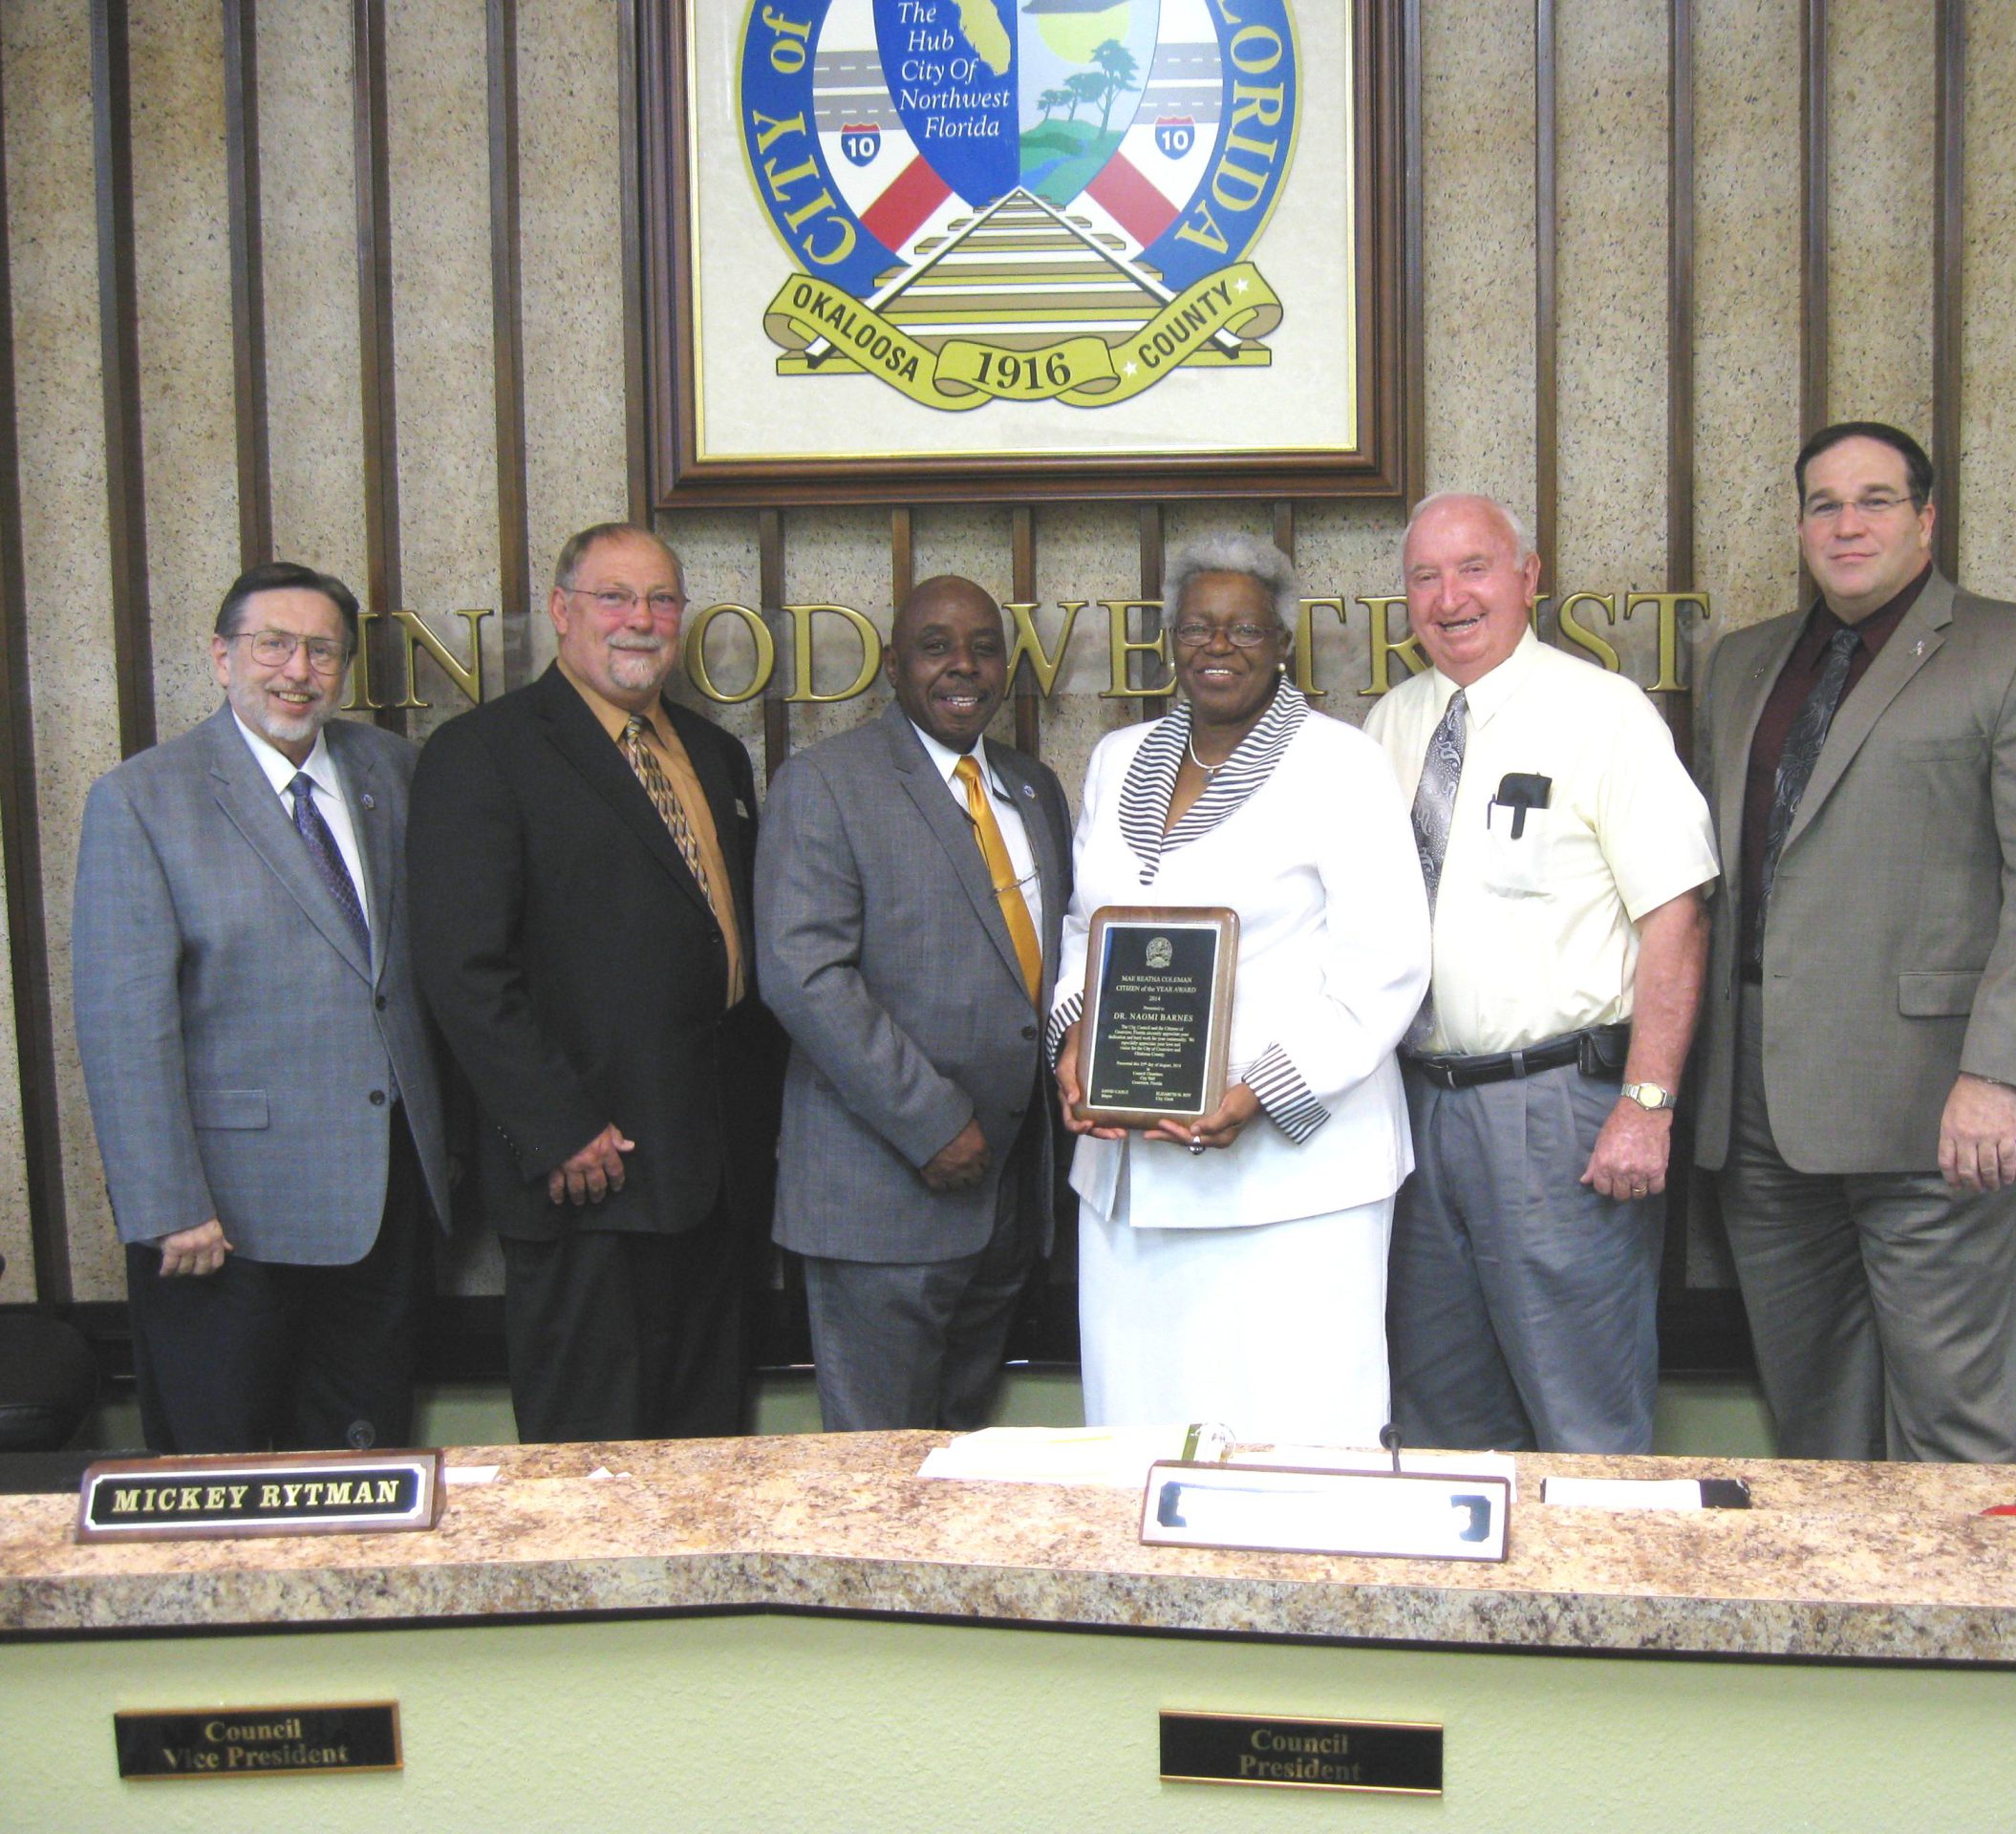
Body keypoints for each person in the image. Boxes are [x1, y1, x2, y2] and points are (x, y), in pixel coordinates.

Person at [1689, 422, 2016, 1463]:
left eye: (1874, 500)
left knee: (1954, 1422)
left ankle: (1970, 1625)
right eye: (1824, 504)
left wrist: (2002, 1073)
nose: (1846, 524)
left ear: (1925, 520)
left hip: (1938, 1111)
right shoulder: (1743, 663)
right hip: (1756, 1115)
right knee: (1815, 1421)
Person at [1049, 534, 1428, 1446]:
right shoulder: (1117, 758)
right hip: (1133, 1175)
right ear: (1171, 639)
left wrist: (1256, 1093)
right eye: (1198, 627)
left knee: (1293, 1455)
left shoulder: (1340, 764)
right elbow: (1081, 924)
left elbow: (1387, 962)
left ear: (1283, 643)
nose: (1218, 648)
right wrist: (1073, 1041)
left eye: (1245, 629)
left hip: (1292, 1188)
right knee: (1140, 1449)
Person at [408, 522, 783, 1443]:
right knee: (591, 1466)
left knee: (706, 1464)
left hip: (714, 1172)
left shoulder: (713, 752)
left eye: (661, 600)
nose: (641, 620)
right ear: (563, 611)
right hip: (588, 1175)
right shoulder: (483, 752)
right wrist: (557, 1127)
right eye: (615, 597)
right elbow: (463, 967)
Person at [1365, 493, 1716, 1454]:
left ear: (1528, 576)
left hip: (1557, 1111)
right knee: (1436, 1419)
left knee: (1582, 1420)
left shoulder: (1602, 714)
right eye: (1424, 577)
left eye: (1474, 567)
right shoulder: (1389, 726)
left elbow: (1676, 914)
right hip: (1415, 1110)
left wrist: (1647, 1102)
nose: (1449, 597)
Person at [72, 562, 450, 1453]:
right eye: (272, 644)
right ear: (221, 657)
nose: (297, 670)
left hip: (382, 1194)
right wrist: (166, 1202)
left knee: (363, 1467)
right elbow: (124, 1023)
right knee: (222, 1473)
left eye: (322, 651)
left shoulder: (392, 771)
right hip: (222, 1221)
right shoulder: (142, 798)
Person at [757, 576, 1073, 1431]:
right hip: (885, 1192)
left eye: (982, 646)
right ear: (893, 666)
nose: (961, 665)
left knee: (959, 1460)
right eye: (935, 646)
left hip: (1008, 1196)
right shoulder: (825, 783)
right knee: (877, 1471)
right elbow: (801, 971)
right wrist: (931, 1122)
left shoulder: (1032, 786)